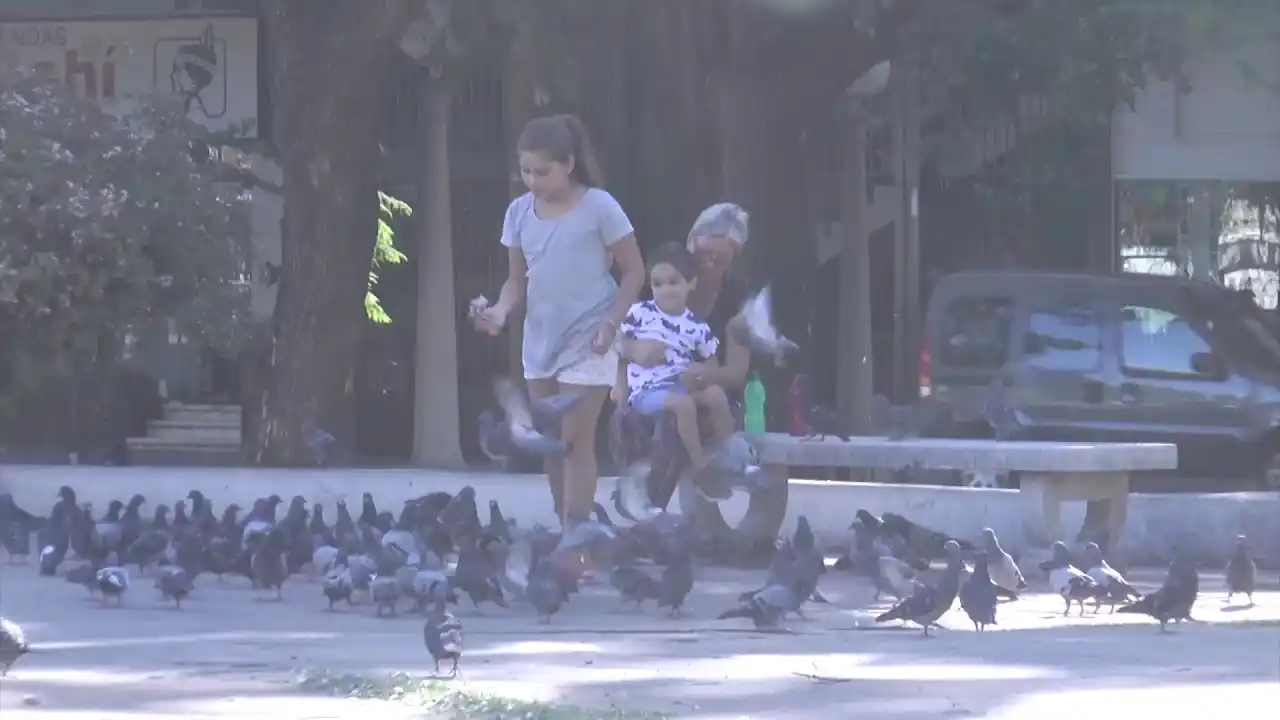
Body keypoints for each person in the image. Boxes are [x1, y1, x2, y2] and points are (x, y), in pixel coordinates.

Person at [474, 114, 646, 531]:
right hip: (540, 339)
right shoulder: (518, 213)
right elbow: (517, 282)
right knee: (550, 445)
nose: (532, 180)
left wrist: (611, 323)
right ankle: (565, 530)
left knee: (575, 442)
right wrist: (498, 311)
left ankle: (578, 541)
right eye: (526, 170)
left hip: (591, 337)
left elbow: (635, 271)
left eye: (543, 171)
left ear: (569, 164)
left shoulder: (600, 206)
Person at [616, 203, 754, 507]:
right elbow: (619, 341)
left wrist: (704, 374)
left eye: (719, 258)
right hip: (652, 386)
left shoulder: (736, 299)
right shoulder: (662, 280)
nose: (708, 263)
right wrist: (632, 351)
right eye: (703, 253)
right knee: (663, 416)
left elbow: (736, 371)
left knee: (688, 411)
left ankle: (670, 493)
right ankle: (653, 502)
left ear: (734, 257)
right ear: (691, 244)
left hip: (706, 391)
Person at [614, 243, 736, 483]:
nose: (665, 290)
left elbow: (711, 365)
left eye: (673, 282)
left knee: (716, 396)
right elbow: (618, 350)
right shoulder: (640, 313)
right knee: (684, 405)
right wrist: (619, 388)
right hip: (646, 390)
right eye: (657, 284)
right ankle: (700, 463)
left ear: (691, 283)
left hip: (682, 383)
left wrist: (701, 373)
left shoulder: (697, 325)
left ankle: (726, 451)